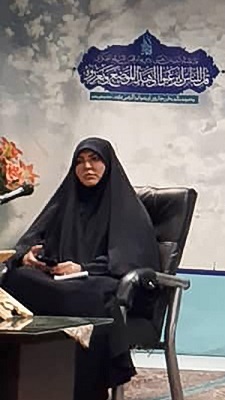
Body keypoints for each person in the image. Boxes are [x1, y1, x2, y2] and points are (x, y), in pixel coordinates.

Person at [1, 137, 160, 399]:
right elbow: (30, 240)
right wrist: (27, 256)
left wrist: (82, 268)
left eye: (94, 159)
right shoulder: (65, 202)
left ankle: (84, 391)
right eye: (80, 161)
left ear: (108, 164)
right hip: (57, 282)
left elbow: (131, 260)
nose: (87, 166)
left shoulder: (128, 209)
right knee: (14, 280)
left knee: (82, 294)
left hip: (105, 282)